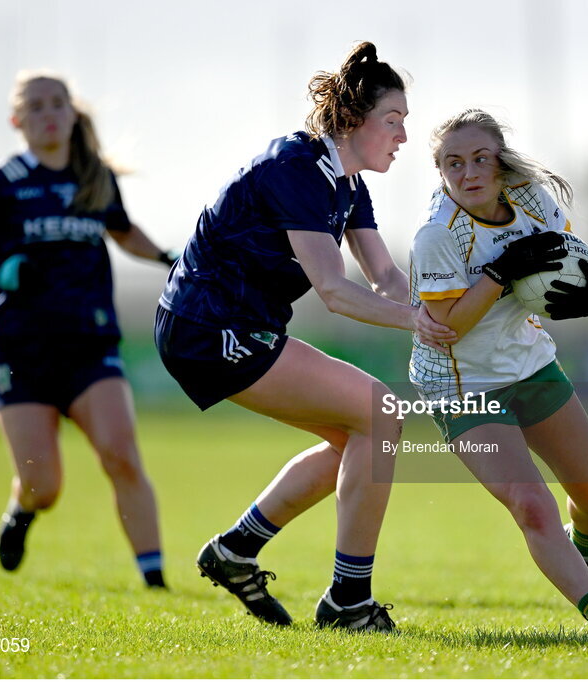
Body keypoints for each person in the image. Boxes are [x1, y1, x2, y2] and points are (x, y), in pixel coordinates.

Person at [155, 42, 455, 631]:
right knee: (381, 413)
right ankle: (348, 601)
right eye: (392, 122)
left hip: (236, 326)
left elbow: (388, 279)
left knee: (360, 438)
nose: (401, 137)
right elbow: (337, 293)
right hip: (208, 327)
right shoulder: (297, 170)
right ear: (351, 120)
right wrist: (423, 326)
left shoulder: (346, 183)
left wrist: (460, 318)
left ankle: (236, 551)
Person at [407, 109, 588, 642]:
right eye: (452, 164)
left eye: (479, 158)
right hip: (460, 384)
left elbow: (569, 260)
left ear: (500, 158)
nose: (468, 174)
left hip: (530, 365)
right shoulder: (435, 236)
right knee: (532, 505)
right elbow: (449, 328)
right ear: (440, 171)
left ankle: (583, 550)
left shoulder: (531, 197)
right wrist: (500, 272)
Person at [0, 71, 174, 589]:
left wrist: (164, 256)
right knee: (44, 484)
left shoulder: (94, 176)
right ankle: (21, 510)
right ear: (17, 120)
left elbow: (122, 231)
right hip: (19, 350)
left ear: (72, 113)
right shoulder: (1, 182)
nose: (48, 113)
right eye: (37, 106)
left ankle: (156, 581)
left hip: (90, 345)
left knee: (121, 452)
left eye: (57, 104)